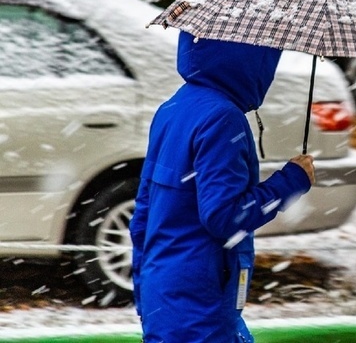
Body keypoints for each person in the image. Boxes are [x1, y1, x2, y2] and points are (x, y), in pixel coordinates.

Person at [129, 31, 315, 343]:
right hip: (201, 298)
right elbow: (225, 217)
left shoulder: (173, 107)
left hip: (164, 291)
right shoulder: (222, 118)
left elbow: (143, 215)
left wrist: (144, 291)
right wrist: (292, 181)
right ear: (251, 57)